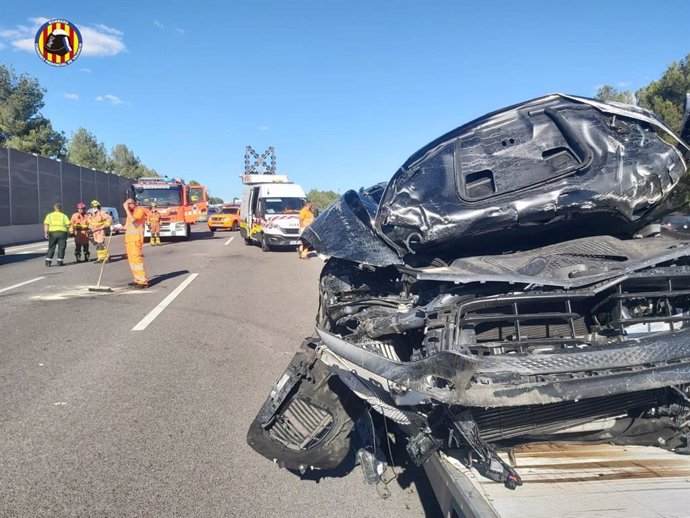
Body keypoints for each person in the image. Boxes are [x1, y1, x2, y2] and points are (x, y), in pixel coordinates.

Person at [123, 198, 149, 289]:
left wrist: (126, 209)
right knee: (132, 261)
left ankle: (143, 281)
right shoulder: (130, 214)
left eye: (129, 204)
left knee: (137, 260)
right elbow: (127, 226)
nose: (128, 206)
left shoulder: (139, 211)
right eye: (126, 204)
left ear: (134, 203)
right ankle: (137, 279)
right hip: (129, 240)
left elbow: (134, 221)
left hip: (136, 239)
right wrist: (116, 228)